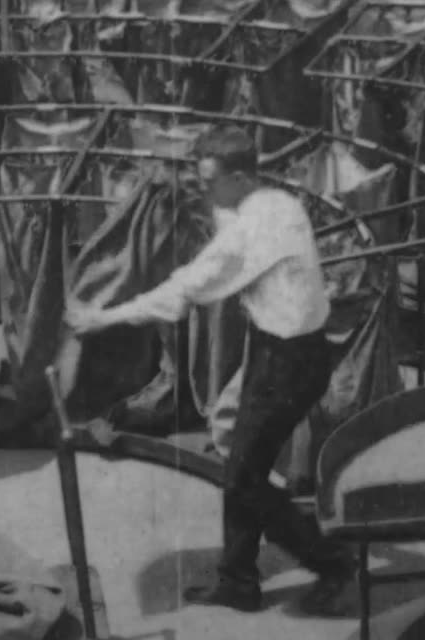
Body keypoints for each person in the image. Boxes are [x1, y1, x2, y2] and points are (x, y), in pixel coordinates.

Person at [66, 127, 356, 616]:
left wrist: (103, 317)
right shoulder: (275, 200)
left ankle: (331, 563)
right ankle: (238, 581)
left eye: (209, 181)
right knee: (244, 465)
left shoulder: (253, 229)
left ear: (241, 178)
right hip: (279, 351)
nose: (203, 191)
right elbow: (222, 220)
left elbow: (186, 288)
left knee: (243, 478)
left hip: (289, 363)